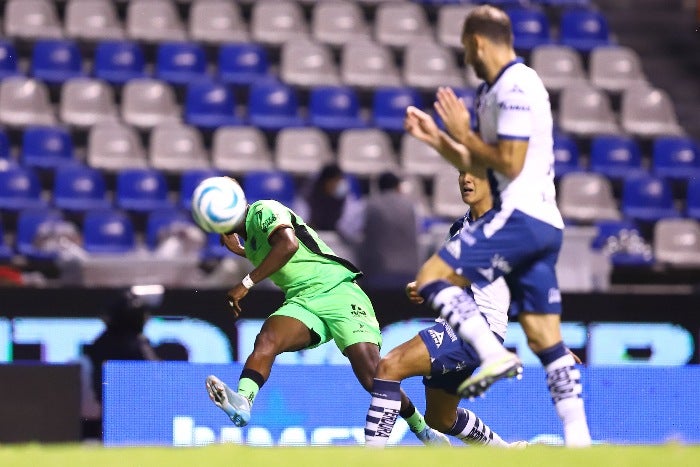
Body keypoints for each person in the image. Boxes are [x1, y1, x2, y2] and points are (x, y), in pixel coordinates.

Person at [401, 5, 592, 447]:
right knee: (547, 340)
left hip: (520, 216)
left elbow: (509, 161)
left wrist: (463, 131)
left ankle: (492, 353)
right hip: (541, 224)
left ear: (480, 42)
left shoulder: (518, 84)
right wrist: (438, 139)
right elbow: (478, 163)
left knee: (433, 275)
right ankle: (579, 441)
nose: (466, 58)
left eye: (467, 49)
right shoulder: (491, 91)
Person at [205, 178, 449, 446]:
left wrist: (245, 283)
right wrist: (241, 251)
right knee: (267, 339)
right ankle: (243, 402)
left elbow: (288, 245)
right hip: (302, 302)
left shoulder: (264, 209)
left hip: (338, 291)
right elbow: (271, 256)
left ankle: (422, 429)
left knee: (373, 378)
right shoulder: (250, 245)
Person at [365, 165, 525, 448]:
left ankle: (372, 457)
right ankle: (507, 455)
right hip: (459, 326)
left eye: (474, 174)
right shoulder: (462, 225)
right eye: (462, 173)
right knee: (441, 418)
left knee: (389, 366)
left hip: (477, 328)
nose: (466, 179)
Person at [359, 171, 421, 289]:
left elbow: (347, 229)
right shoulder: (412, 207)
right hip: (409, 275)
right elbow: (419, 232)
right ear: (398, 187)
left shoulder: (369, 205)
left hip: (377, 274)